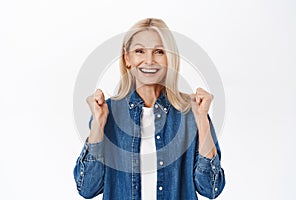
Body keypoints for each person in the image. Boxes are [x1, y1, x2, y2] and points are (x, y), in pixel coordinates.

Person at [73, 18, 225, 199]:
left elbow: (211, 188)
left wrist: (201, 120)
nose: (149, 60)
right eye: (139, 51)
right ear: (127, 58)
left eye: (159, 52)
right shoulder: (108, 112)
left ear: (170, 59)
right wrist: (98, 126)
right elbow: (87, 188)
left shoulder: (191, 112)